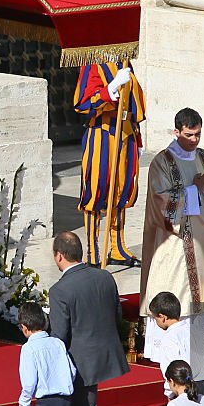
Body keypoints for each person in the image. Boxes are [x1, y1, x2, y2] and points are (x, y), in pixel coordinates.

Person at [49, 232, 130, 406]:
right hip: (101, 356)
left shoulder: (60, 291)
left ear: (58, 256)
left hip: (77, 363)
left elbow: (60, 337)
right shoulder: (105, 277)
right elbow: (117, 315)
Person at [140, 107, 204, 319]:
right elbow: (160, 201)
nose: (194, 140)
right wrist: (194, 189)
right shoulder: (162, 162)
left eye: (198, 134)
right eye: (189, 134)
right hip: (176, 243)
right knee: (179, 303)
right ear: (176, 132)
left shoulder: (203, 157)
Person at [73, 62, 146, 268]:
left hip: (125, 132)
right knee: (96, 190)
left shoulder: (124, 62)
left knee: (122, 191)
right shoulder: (92, 64)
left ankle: (117, 247)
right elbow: (82, 103)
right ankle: (93, 253)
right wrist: (111, 88)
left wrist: (137, 140)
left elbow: (133, 104)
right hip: (102, 133)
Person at [144, 291, 191, 398]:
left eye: (155, 318)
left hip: (186, 390)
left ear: (162, 317)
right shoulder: (195, 330)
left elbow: (170, 370)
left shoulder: (169, 338)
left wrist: (170, 395)